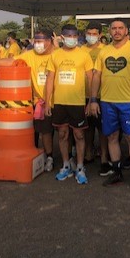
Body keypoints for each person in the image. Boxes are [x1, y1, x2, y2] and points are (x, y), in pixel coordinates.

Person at [0, 29, 56, 172]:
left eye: (40, 41)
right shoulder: (29, 55)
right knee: (37, 129)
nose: (37, 44)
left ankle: (58, 156)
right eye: (36, 41)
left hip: (56, 99)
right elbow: (11, 61)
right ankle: (43, 156)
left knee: (57, 132)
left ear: (49, 41)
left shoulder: (56, 54)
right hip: (36, 100)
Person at [89, 18, 130, 193]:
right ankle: (116, 172)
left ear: (126, 30)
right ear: (109, 32)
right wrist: (94, 100)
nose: (117, 31)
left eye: (120, 28)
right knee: (112, 137)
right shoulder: (103, 51)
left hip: (129, 103)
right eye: (113, 28)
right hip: (107, 102)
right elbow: (97, 76)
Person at [45, 24, 93, 185]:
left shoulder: (84, 55)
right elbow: (50, 79)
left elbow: (91, 78)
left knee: (79, 135)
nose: (72, 39)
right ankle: (66, 165)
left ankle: (80, 167)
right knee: (62, 134)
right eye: (69, 36)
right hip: (59, 102)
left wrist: (91, 100)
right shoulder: (55, 55)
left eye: (75, 36)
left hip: (78, 103)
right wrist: (47, 102)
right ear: (62, 37)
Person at [82, 22, 110, 172]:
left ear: (100, 34)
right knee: (88, 127)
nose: (91, 37)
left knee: (103, 128)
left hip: (102, 95)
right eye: (89, 33)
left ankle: (104, 157)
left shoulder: (105, 50)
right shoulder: (80, 50)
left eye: (94, 34)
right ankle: (88, 153)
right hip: (83, 95)